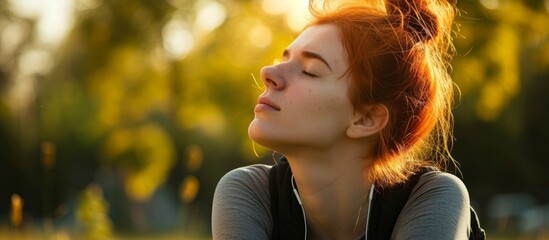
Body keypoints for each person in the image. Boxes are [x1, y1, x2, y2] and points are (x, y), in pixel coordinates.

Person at [213, 0, 478, 239]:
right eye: (283, 59)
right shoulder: (250, 192)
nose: (267, 72)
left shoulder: (433, 197)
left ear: (366, 118)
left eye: (310, 71)